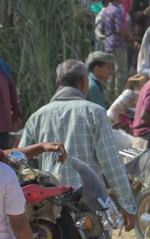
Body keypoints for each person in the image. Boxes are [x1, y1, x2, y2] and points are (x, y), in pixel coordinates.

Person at [21, 60, 137, 225]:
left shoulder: (36, 117)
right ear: (84, 81)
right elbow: (111, 163)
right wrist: (128, 204)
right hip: (89, 209)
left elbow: (21, 163)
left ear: (57, 82)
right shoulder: (95, 113)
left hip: (49, 211)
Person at [96, 0, 132, 91]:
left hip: (108, 45)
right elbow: (120, 30)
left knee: (110, 72)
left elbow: (102, 29)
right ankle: (118, 94)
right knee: (121, 71)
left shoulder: (106, 10)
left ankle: (109, 95)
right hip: (118, 44)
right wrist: (130, 39)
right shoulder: (117, 11)